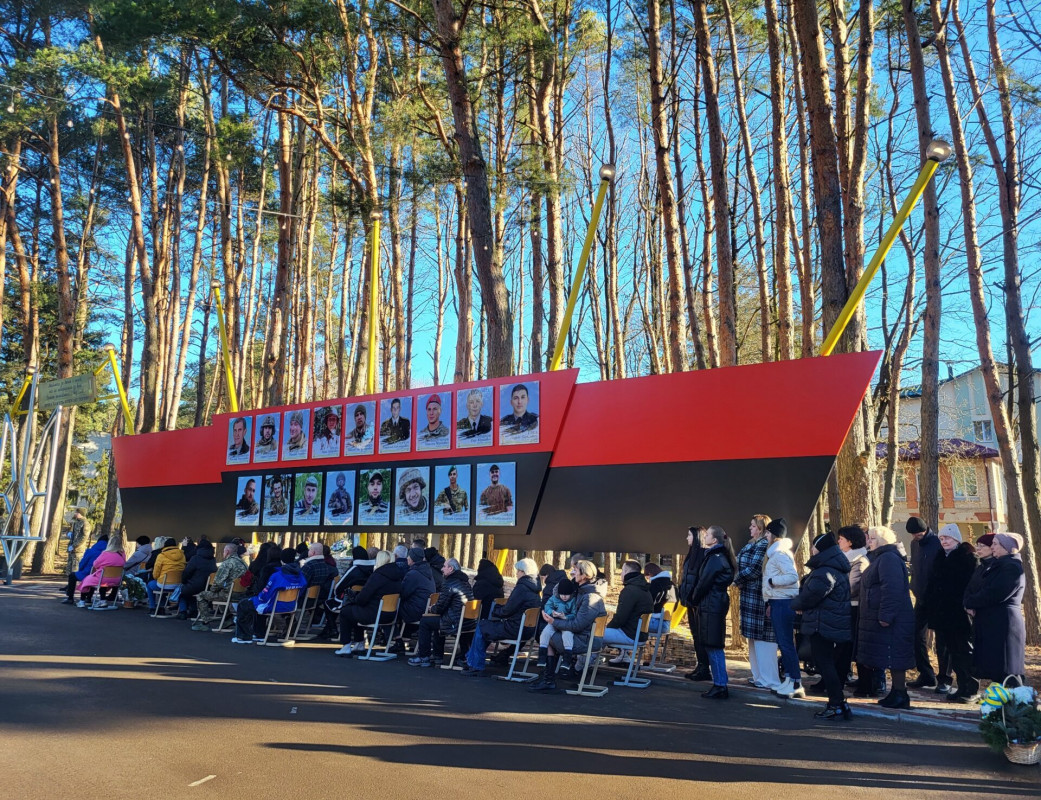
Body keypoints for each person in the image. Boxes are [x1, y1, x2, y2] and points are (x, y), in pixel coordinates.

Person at [791, 533, 853, 720]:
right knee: (827, 664)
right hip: (829, 622)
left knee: (825, 664)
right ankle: (839, 703)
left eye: (814, 546)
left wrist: (797, 605)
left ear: (821, 549)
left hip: (822, 624)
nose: (811, 550)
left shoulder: (825, 572)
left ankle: (836, 703)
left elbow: (811, 595)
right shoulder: (834, 569)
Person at [857, 526, 916, 709]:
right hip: (886, 617)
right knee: (891, 656)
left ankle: (900, 694)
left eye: (872, 538)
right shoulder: (882, 558)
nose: (869, 542)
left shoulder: (888, 559)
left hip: (893, 620)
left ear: (882, 540)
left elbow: (892, 589)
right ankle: (896, 692)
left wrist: (885, 615)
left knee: (894, 656)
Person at [529, 560, 607, 692]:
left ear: (584, 575)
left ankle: (548, 679)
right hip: (584, 636)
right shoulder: (582, 591)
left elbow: (577, 625)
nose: (572, 573)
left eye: (575, 571)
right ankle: (550, 676)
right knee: (548, 634)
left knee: (547, 637)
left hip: (586, 640)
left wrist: (554, 622)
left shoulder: (590, 597)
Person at [925, 524, 979, 702]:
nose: (944, 541)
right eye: (941, 539)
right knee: (952, 653)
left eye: (947, 538)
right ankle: (961, 686)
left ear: (956, 539)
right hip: (943, 614)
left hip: (960, 614)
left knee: (964, 651)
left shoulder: (967, 558)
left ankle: (970, 688)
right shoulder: (940, 557)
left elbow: (971, 586)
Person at [963, 532, 1026, 685]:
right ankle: (1001, 705)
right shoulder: (1000, 565)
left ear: (1007, 548)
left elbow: (994, 593)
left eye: (996, 544)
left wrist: (971, 602)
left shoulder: (1011, 567)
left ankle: (1013, 706)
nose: (992, 547)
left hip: (1004, 624)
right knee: (997, 669)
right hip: (994, 622)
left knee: (1007, 670)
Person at [463, 557, 542, 676]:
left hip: (514, 628)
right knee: (487, 628)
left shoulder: (522, 588)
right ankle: (471, 659)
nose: (516, 574)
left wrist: (496, 610)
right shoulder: (536, 588)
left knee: (482, 626)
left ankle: (475, 665)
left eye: (518, 571)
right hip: (528, 629)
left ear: (523, 572)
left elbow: (507, 610)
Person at [691, 526, 736, 700]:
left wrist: (693, 598)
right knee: (712, 644)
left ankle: (720, 685)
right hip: (713, 603)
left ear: (715, 539)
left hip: (711, 604)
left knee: (713, 645)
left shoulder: (715, 558)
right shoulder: (718, 556)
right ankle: (719, 683)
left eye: (708, 535)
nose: (705, 537)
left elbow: (704, 582)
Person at [735, 515, 779, 690]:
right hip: (749, 595)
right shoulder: (750, 544)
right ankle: (758, 676)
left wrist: (737, 579)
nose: (750, 528)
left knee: (763, 639)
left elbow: (755, 569)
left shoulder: (762, 545)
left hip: (758, 596)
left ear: (760, 528)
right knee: (752, 639)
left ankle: (769, 678)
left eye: (753, 526)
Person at [763, 518, 803, 698]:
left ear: (773, 534)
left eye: (767, 532)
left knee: (786, 643)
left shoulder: (780, 554)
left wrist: (772, 582)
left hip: (783, 602)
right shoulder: (776, 553)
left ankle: (795, 682)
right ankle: (789, 679)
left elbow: (792, 576)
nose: (765, 535)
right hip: (777, 601)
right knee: (783, 643)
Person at [232, 548, 308, 644]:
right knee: (255, 604)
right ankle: (260, 633)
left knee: (244, 604)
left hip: (273, 605)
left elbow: (266, 593)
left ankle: (244, 637)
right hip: (291, 605)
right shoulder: (300, 575)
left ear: (281, 560)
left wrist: (259, 598)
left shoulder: (277, 575)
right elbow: (302, 589)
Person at [335, 550, 404, 656]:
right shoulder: (398, 576)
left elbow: (362, 598)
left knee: (345, 612)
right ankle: (359, 644)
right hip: (390, 614)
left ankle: (347, 645)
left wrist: (354, 597)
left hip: (375, 614)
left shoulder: (377, 576)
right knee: (354, 611)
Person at [408, 557, 474, 667]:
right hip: (467, 622)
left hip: (455, 622)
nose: (442, 569)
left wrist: (431, 608)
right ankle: (437, 655)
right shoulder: (465, 582)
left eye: (444, 566)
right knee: (438, 621)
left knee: (425, 621)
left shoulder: (449, 583)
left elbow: (440, 607)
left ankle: (424, 656)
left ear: (451, 568)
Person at [835, 524, 871, 695]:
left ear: (849, 542)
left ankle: (865, 685)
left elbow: (852, 587)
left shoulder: (860, 561)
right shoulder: (843, 558)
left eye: (841, 539)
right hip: (844, 608)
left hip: (854, 610)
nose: (838, 541)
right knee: (843, 648)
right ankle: (838, 680)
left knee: (851, 648)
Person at [906, 516, 942, 689]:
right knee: (916, 636)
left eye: (918, 533)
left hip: (935, 599)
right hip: (920, 598)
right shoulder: (915, 544)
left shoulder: (937, 543)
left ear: (925, 530)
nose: (916, 536)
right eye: (913, 534)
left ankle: (945, 678)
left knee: (942, 640)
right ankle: (926, 674)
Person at [603, 560, 654, 664]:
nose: (621, 573)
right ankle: (624, 656)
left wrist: (607, 628)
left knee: (596, 633)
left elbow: (620, 619)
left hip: (630, 635)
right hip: (641, 634)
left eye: (622, 570)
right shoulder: (645, 589)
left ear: (626, 571)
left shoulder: (629, 591)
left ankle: (584, 663)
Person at [193, 542, 249, 630]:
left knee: (201, 595)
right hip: (242, 593)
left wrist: (212, 590)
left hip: (229, 594)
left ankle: (205, 622)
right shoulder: (244, 563)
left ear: (227, 552)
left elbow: (218, 582)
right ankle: (227, 619)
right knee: (220, 593)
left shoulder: (227, 563)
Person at [390, 548, 437, 653]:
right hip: (425, 608)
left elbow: (403, 593)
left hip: (415, 611)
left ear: (412, 559)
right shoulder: (428, 572)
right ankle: (402, 638)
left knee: (389, 611)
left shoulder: (413, 574)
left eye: (409, 557)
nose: (407, 558)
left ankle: (397, 640)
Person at [679, 526, 710, 681]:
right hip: (690, 602)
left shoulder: (704, 555)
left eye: (689, 535)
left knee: (701, 635)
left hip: (698, 603)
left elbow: (701, 581)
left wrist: (694, 597)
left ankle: (705, 668)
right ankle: (701, 665)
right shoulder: (691, 555)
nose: (687, 538)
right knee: (695, 635)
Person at [536, 578, 577, 667]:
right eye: (562, 594)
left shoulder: (573, 601)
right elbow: (547, 606)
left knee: (567, 635)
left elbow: (574, 614)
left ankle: (567, 658)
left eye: (567, 595)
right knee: (545, 633)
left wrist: (565, 617)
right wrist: (551, 612)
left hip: (566, 623)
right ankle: (542, 656)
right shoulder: (554, 598)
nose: (564, 597)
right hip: (554, 620)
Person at [77, 534, 126, 609]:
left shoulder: (105, 553)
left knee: (86, 580)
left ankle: (82, 601)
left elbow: (95, 564)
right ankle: (102, 601)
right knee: (103, 582)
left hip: (103, 578)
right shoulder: (122, 554)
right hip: (117, 579)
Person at [62, 533, 109, 604]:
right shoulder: (108, 553)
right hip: (101, 575)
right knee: (94, 575)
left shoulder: (91, 551)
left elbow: (82, 564)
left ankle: (70, 597)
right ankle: (89, 598)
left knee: (72, 576)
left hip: (87, 573)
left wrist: (80, 570)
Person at [178, 539, 217, 619]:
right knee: (191, 593)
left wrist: (184, 581)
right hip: (208, 587)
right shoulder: (213, 560)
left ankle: (183, 612)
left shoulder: (195, 558)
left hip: (195, 585)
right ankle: (193, 611)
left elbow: (187, 572)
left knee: (183, 594)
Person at [147, 538, 186, 615]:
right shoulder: (182, 555)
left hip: (164, 583)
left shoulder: (161, 555)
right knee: (181, 590)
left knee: (149, 585)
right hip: (178, 583)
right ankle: (183, 611)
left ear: (165, 546)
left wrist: (157, 578)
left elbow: (156, 572)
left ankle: (152, 608)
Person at [644, 563, 677, 633]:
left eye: (647, 577)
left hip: (654, 623)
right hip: (667, 624)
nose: (647, 580)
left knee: (630, 624)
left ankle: (636, 643)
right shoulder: (673, 585)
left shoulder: (655, 585)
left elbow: (648, 605)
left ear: (650, 574)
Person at [65, 508, 91, 576]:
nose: (75, 514)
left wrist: (74, 545)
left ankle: (75, 585)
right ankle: (69, 584)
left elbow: (84, 537)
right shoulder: (76, 522)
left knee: (76, 568)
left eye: (77, 513)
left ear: (81, 514)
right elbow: (72, 532)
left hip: (78, 550)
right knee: (69, 569)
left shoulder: (85, 523)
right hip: (72, 549)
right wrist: (69, 533)